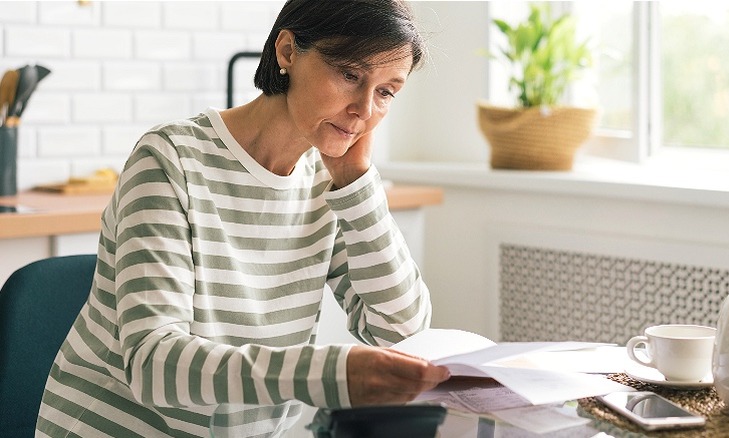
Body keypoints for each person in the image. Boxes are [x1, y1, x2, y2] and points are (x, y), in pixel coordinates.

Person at [35, 0, 450, 436]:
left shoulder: (329, 186)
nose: (365, 110)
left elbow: (401, 333)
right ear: (287, 51)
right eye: (350, 75)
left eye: (386, 92)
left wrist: (357, 184)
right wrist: (328, 372)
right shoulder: (170, 159)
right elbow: (153, 364)